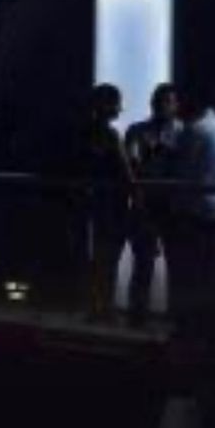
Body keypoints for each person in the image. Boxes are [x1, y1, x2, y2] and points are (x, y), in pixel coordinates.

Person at [164, 85, 215, 351]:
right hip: (212, 208)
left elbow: (184, 171)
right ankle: (209, 330)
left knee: (187, 274)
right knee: (207, 274)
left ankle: (189, 329)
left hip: (191, 209)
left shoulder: (194, 130)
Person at [123, 83, 182, 328]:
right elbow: (130, 164)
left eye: (168, 102)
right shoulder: (137, 130)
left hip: (173, 202)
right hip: (145, 201)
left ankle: (177, 317)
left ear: (176, 105)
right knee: (143, 260)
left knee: (178, 261)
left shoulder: (183, 132)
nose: (163, 106)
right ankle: (138, 315)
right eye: (159, 101)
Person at [83, 83, 133, 322]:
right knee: (109, 257)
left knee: (98, 258)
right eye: (116, 103)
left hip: (95, 202)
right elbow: (126, 173)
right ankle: (106, 308)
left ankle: (95, 306)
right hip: (114, 203)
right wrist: (138, 196)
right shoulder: (111, 135)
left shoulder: (86, 133)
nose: (120, 109)